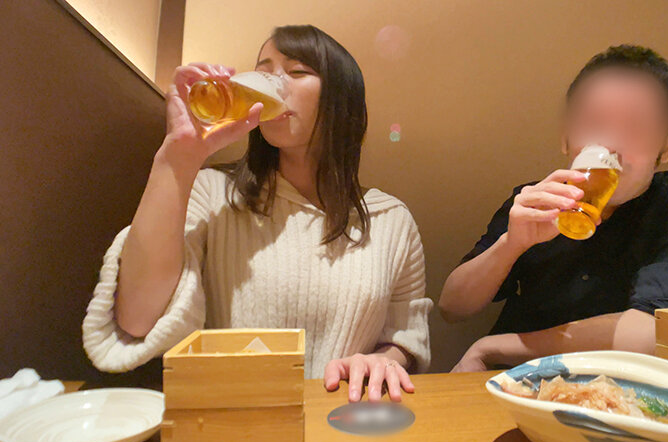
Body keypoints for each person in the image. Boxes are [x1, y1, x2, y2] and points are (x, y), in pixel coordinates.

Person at [82, 25, 432, 402]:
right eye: (264, 71)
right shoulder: (212, 193)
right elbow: (137, 318)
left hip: (346, 418)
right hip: (230, 418)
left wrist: (382, 361)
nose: (273, 82)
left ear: (341, 98)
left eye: (297, 71)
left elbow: (405, 338)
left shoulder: (391, 220)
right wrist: (177, 158)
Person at [440, 45, 668, 372]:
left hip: (626, 386)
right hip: (513, 383)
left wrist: (492, 348)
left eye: (636, 127)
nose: (612, 144)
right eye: (594, 123)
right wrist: (512, 244)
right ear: (566, 137)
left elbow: (655, 334)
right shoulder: (535, 199)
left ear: (666, 146)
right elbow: (453, 307)